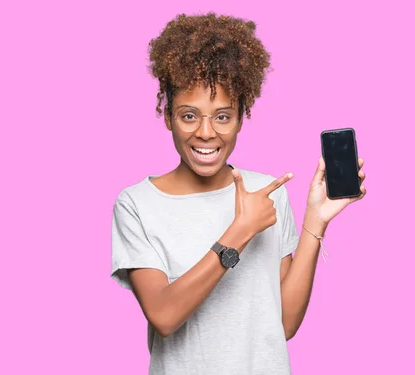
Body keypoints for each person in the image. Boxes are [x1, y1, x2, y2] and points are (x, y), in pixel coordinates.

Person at [110, 13, 366, 375]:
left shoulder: (268, 194)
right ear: (167, 115)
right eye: (188, 116)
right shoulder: (137, 204)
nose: (206, 133)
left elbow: (285, 324)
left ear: (241, 118)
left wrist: (315, 220)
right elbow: (164, 315)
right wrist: (241, 230)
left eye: (222, 116)